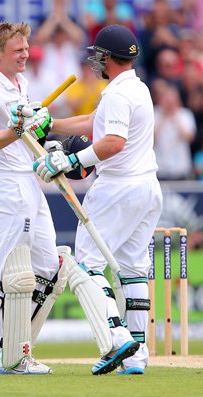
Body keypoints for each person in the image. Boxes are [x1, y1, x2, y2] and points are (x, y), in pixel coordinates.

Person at [32, 24, 163, 375]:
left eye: (98, 55)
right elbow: (95, 122)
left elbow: (112, 142)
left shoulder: (118, 94)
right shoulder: (136, 88)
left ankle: (117, 337)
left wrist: (73, 160)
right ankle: (136, 356)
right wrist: (51, 122)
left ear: (108, 57)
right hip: (147, 187)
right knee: (133, 270)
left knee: (88, 264)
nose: (96, 61)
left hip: (117, 188)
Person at [0, 21, 68, 375]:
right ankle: (14, 356)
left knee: (48, 268)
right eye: (17, 50)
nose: (25, 54)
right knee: (13, 272)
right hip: (5, 186)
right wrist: (16, 130)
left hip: (28, 182)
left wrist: (44, 144)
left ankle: (6, 344)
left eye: (26, 48)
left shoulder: (21, 84)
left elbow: (27, 136)